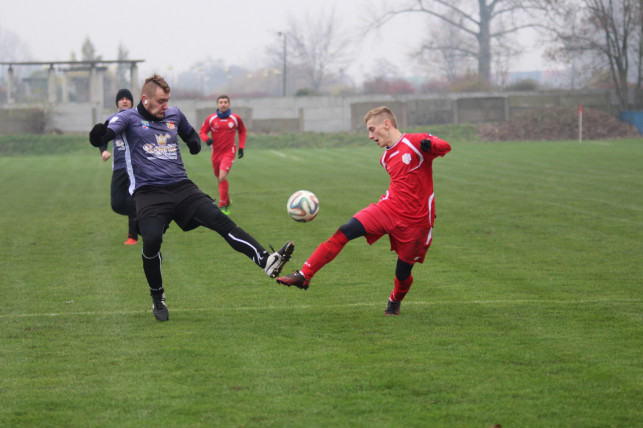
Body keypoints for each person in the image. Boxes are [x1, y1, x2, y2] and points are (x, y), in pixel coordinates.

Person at [89, 74, 294, 322]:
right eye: (161, 101)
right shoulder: (128, 118)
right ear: (145, 99)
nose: (166, 105)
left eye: (168, 100)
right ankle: (157, 296)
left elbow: (190, 135)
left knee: (220, 220)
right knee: (151, 241)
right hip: (149, 193)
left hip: (182, 188)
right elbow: (106, 134)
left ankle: (266, 261)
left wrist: (194, 142)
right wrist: (99, 135)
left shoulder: (174, 114)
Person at [276, 106, 451, 316]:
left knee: (403, 273)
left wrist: (431, 144)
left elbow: (445, 146)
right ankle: (304, 274)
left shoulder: (415, 142)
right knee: (345, 230)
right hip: (387, 210)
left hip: (416, 223)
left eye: (371, 129)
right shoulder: (385, 158)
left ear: (386, 124)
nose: (370, 136)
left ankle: (395, 300)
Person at [98, 89, 139, 245]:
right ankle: (142, 214)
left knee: (131, 200)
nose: (124, 101)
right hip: (119, 167)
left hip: (136, 167)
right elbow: (102, 137)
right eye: (121, 99)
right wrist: (104, 151)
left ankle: (132, 236)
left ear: (131, 102)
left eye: (127, 98)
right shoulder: (111, 120)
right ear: (117, 103)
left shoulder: (138, 119)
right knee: (116, 204)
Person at [199, 95, 246, 215]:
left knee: (222, 177)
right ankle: (228, 201)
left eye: (225, 102)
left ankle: (222, 206)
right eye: (221, 102)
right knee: (220, 179)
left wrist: (241, 147)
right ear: (217, 105)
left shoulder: (235, 119)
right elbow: (202, 132)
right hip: (216, 153)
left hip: (229, 152)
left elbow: (242, 131)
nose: (223, 104)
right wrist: (206, 139)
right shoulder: (211, 119)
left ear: (229, 104)